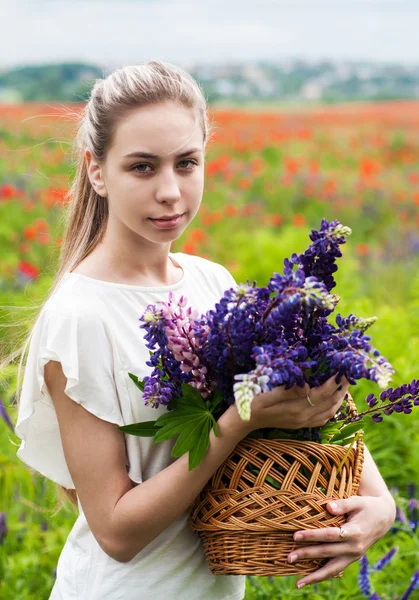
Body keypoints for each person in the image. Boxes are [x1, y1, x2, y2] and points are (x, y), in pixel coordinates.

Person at [13, 60, 396, 600]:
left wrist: (379, 503)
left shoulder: (212, 282)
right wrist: (237, 421)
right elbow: (117, 532)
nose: (170, 191)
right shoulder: (81, 315)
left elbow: (306, 393)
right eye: (142, 167)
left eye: (186, 163)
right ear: (96, 171)